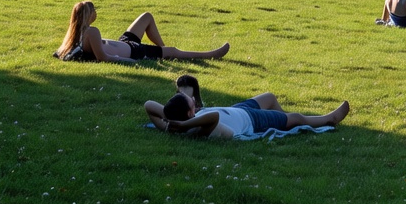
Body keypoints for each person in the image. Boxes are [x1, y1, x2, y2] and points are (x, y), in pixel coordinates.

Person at [54, 0, 229, 62]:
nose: (96, 13)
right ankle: (210, 54)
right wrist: (128, 61)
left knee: (146, 17)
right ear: (88, 15)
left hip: (125, 43)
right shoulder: (91, 32)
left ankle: (163, 51)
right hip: (134, 51)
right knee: (174, 51)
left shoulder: (75, 34)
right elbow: (104, 58)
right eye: (94, 11)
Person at [147, 89, 349, 139]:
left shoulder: (173, 124)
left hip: (239, 109)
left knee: (269, 97)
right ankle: (327, 120)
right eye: (191, 101)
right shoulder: (197, 127)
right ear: (190, 112)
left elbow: (149, 105)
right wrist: (183, 125)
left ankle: (284, 121)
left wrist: (170, 117)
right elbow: (214, 118)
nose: (193, 99)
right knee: (296, 118)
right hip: (252, 121)